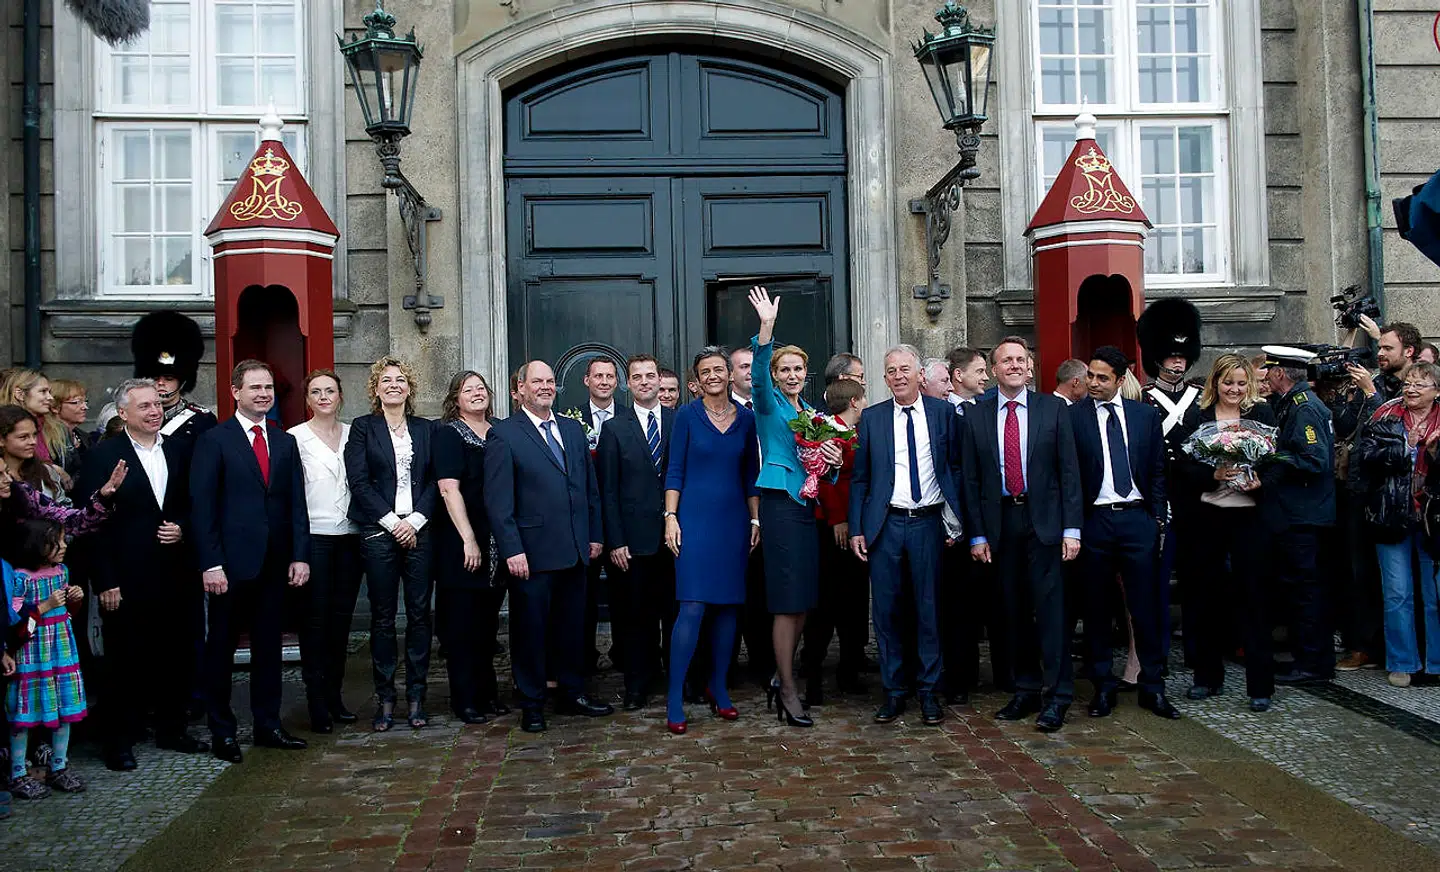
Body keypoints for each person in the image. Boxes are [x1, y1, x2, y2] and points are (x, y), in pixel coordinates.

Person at [77, 378, 206, 771]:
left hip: (176, 571)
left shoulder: (181, 450)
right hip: (127, 576)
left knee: (178, 653)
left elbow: (191, 503)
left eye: (157, 405)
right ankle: (119, 739)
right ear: (123, 413)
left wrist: (182, 527)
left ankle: (173, 728)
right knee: (124, 659)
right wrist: (106, 580)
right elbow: (90, 524)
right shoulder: (104, 456)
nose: (154, 412)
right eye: (145, 406)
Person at [960, 336, 1083, 732]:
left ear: (1030, 368)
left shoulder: (1053, 409)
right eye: (1005, 360)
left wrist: (1072, 528)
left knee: (1050, 612)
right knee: (1012, 612)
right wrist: (977, 535)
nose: (1013, 365)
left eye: (1020, 360)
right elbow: (971, 480)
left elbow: (1069, 473)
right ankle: (1026, 688)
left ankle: (1058, 694)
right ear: (993, 370)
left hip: (1045, 521)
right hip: (1001, 523)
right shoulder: (975, 413)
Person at [191, 360, 311, 763]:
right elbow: (202, 507)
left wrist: (300, 556)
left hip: (275, 564)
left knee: (268, 649)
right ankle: (222, 732)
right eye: (255, 387)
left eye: (268, 388)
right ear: (235, 392)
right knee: (221, 650)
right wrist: (210, 563)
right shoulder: (215, 440)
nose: (263, 394)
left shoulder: (283, 441)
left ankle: (268, 725)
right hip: (229, 565)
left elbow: (297, 504)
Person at [483, 360, 610, 734]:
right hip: (531, 553)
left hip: (574, 549)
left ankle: (572, 693)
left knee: (572, 628)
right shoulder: (504, 434)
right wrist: (512, 550)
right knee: (530, 631)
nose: (545, 387)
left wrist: (595, 534)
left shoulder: (572, 429)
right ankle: (533, 703)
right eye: (536, 381)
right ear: (519, 388)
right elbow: (498, 501)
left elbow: (589, 490)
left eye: (550, 381)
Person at [849, 345, 965, 727]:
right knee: (887, 612)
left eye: (905, 369)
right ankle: (894, 691)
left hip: (928, 524)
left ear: (919, 375)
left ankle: (929, 692)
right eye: (890, 371)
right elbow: (861, 478)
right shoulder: (872, 419)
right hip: (885, 526)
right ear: (884, 379)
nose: (898, 376)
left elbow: (956, 469)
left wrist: (955, 520)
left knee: (929, 609)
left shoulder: (944, 413)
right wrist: (857, 528)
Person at [747, 286, 844, 728]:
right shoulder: (767, 407)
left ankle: (781, 679)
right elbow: (761, 384)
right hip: (779, 506)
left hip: (805, 509)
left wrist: (834, 461)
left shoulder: (810, 412)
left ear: (807, 374)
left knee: (805, 600)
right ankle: (787, 687)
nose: (790, 375)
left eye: (797, 368)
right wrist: (766, 329)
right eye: (783, 368)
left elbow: (824, 469)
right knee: (787, 601)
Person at [1070, 347, 1178, 720]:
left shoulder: (1143, 415)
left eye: (1102, 378)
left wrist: (1156, 520)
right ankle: (1102, 686)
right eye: (1090, 376)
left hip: (1137, 520)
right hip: (1095, 522)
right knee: (1097, 609)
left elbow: (1158, 470)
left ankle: (1152, 685)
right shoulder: (1074, 417)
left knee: (1145, 608)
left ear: (1120, 379)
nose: (1094, 384)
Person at [660, 348, 760, 733]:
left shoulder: (747, 419)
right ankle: (674, 697)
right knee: (693, 607)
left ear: (730, 375)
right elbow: (675, 470)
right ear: (697, 379)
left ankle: (718, 687)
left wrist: (754, 519)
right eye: (706, 371)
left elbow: (751, 473)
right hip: (694, 522)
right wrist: (670, 518)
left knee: (728, 609)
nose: (714, 376)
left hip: (733, 522)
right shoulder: (686, 416)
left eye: (720, 369)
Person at [1172, 354, 1277, 711]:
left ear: (1250, 385)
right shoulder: (1196, 418)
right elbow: (1182, 468)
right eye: (1227, 382)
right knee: (1204, 599)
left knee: (1254, 600)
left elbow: (1278, 463)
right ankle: (1206, 676)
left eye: (1241, 383)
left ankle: (1260, 685)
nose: (1234, 389)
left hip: (1250, 520)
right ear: (1215, 383)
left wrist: (1261, 481)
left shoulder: (1262, 416)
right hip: (1207, 519)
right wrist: (1211, 475)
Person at [345, 356, 438, 732]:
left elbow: (436, 480)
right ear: (376, 388)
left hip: (421, 530)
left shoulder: (426, 429)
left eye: (401, 380)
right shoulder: (363, 428)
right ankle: (385, 698)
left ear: (410, 388)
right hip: (379, 531)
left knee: (419, 615)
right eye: (387, 380)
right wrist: (392, 523)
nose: (394, 385)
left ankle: (417, 696)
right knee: (383, 618)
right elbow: (359, 480)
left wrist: (414, 521)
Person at [597, 355, 677, 711]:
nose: (645, 382)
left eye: (651, 375)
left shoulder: (680, 421)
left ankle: (679, 680)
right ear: (628, 384)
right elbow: (608, 490)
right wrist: (616, 540)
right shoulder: (615, 428)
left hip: (677, 537)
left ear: (660, 380)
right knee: (635, 618)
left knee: (676, 614)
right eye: (637, 377)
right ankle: (637, 685)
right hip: (633, 541)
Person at [1354, 361, 1440, 688]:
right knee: (1397, 592)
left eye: (1421, 384)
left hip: (1432, 517)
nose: (1412, 389)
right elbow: (1367, 457)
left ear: (1437, 391)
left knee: (1433, 595)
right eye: (1408, 383)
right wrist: (1407, 447)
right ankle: (1403, 661)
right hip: (1390, 513)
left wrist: (1434, 451)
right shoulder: (1386, 414)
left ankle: (1436, 663)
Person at [287, 370, 364, 733]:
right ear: (307, 399)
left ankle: (335, 697)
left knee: (340, 623)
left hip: (349, 538)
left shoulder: (354, 435)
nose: (323, 397)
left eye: (329, 390)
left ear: (340, 395)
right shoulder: (294, 439)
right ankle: (316, 702)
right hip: (314, 539)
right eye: (315, 391)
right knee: (314, 624)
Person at [1258, 346, 1337, 685]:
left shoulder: (1303, 409)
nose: (1266, 376)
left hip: (1305, 515)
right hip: (1297, 514)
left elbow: (1315, 460)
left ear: (1280, 374)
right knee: (1299, 590)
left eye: (1269, 371)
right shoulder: (1292, 404)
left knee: (1307, 593)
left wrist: (1272, 457)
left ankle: (1314, 664)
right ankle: (1306, 657)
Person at [434, 370, 509, 724]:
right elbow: (449, 489)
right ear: (456, 398)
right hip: (463, 542)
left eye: (481, 388)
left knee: (487, 625)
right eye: (469, 389)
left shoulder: (500, 431)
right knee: (463, 627)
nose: (477, 393)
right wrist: (468, 539)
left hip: (497, 543)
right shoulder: (448, 434)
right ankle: (465, 700)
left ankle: (488, 694)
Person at [5, 519, 87, 799]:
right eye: (57, 542)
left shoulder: (62, 571)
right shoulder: (21, 578)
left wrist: (74, 597)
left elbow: (69, 612)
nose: (64, 547)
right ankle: (17, 772)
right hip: (32, 654)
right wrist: (45, 605)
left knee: (65, 706)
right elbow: (15, 622)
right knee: (24, 711)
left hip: (61, 650)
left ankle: (59, 767)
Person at [803, 376, 869, 703]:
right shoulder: (829, 433)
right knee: (827, 605)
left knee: (854, 605)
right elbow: (825, 480)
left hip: (857, 527)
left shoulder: (856, 433)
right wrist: (838, 519)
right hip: (833, 529)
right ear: (855, 401)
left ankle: (850, 670)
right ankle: (813, 677)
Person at [571, 358, 620, 677]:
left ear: (618, 382)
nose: (604, 381)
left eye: (610, 376)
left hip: (620, 520)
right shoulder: (570, 419)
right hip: (585, 520)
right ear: (586, 380)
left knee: (624, 595)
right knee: (583, 597)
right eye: (598, 376)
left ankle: (624, 654)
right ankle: (583, 658)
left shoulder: (631, 418)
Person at [131, 311, 217, 453]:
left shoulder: (201, 420)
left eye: (169, 379)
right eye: (154, 378)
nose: (160, 383)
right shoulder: (131, 415)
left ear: (182, 381)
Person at [1, 371, 63, 467]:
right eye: (43, 391)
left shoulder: (49, 426)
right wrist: (51, 469)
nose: (50, 397)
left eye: (49, 392)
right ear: (20, 394)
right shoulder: (5, 423)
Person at [49, 379, 90, 480]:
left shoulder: (84, 437)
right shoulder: (47, 439)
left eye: (85, 401)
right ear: (55, 407)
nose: (85, 407)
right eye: (76, 402)